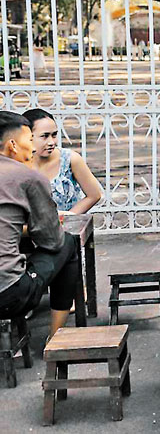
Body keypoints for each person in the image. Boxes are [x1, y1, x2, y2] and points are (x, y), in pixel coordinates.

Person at [0, 112, 80, 342]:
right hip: (8, 295)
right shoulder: (28, 178)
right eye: (30, 140)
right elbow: (51, 240)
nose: (33, 148)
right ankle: (55, 338)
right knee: (68, 244)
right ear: (12, 145)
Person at [22, 109, 103, 214]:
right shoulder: (18, 163)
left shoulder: (70, 159)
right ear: (28, 136)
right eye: (44, 136)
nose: (51, 142)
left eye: (54, 135)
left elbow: (94, 195)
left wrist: (66, 218)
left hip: (68, 227)